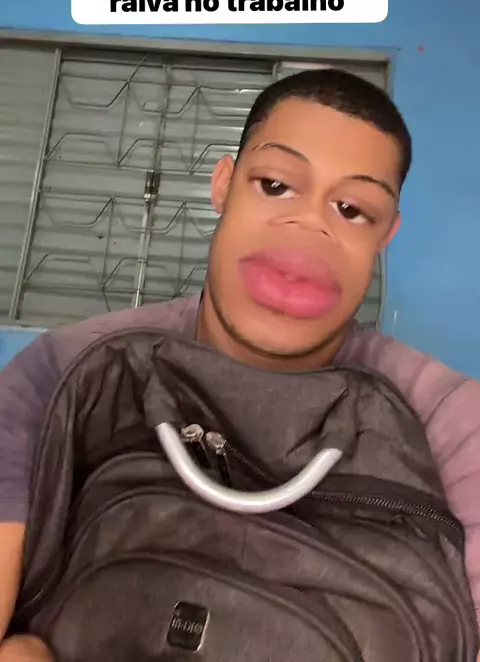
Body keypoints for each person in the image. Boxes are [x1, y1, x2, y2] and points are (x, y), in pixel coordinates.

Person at [1, 68, 479, 660]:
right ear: (223, 185)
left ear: (385, 235)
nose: (309, 227)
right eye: (275, 185)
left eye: (352, 209)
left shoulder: (451, 423)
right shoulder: (63, 376)